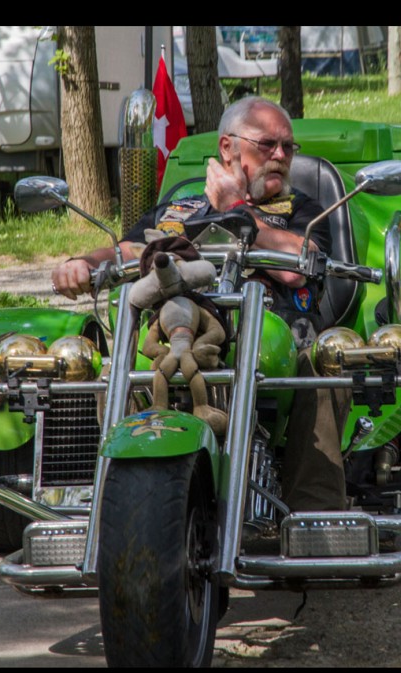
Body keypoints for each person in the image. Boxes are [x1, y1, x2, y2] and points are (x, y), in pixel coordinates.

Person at [51, 96, 348, 512]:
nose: (281, 156)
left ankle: (317, 518)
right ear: (228, 148)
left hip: (268, 340)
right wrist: (82, 264)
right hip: (172, 332)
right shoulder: (181, 207)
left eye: (288, 147)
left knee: (321, 368)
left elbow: (298, 267)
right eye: (267, 145)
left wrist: (236, 210)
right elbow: (129, 249)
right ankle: (108, 501)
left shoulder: (302, 209)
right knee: (103, 366)